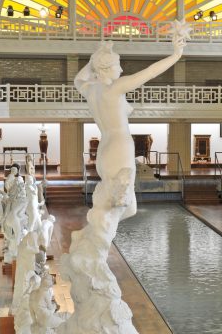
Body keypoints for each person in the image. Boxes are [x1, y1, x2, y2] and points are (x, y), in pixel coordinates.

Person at [73, 23, 190, 222]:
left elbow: (78, 79)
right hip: (120, 147)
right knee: (126, 207)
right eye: (118, 65)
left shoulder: (90, 90)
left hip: (105, 150)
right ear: (106, 68)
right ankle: (98, 231)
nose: (121, 69)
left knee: (119, 206)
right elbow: (150, 72)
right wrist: (176, 55)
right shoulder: (114, 88)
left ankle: (97, 231)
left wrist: (95, 58)